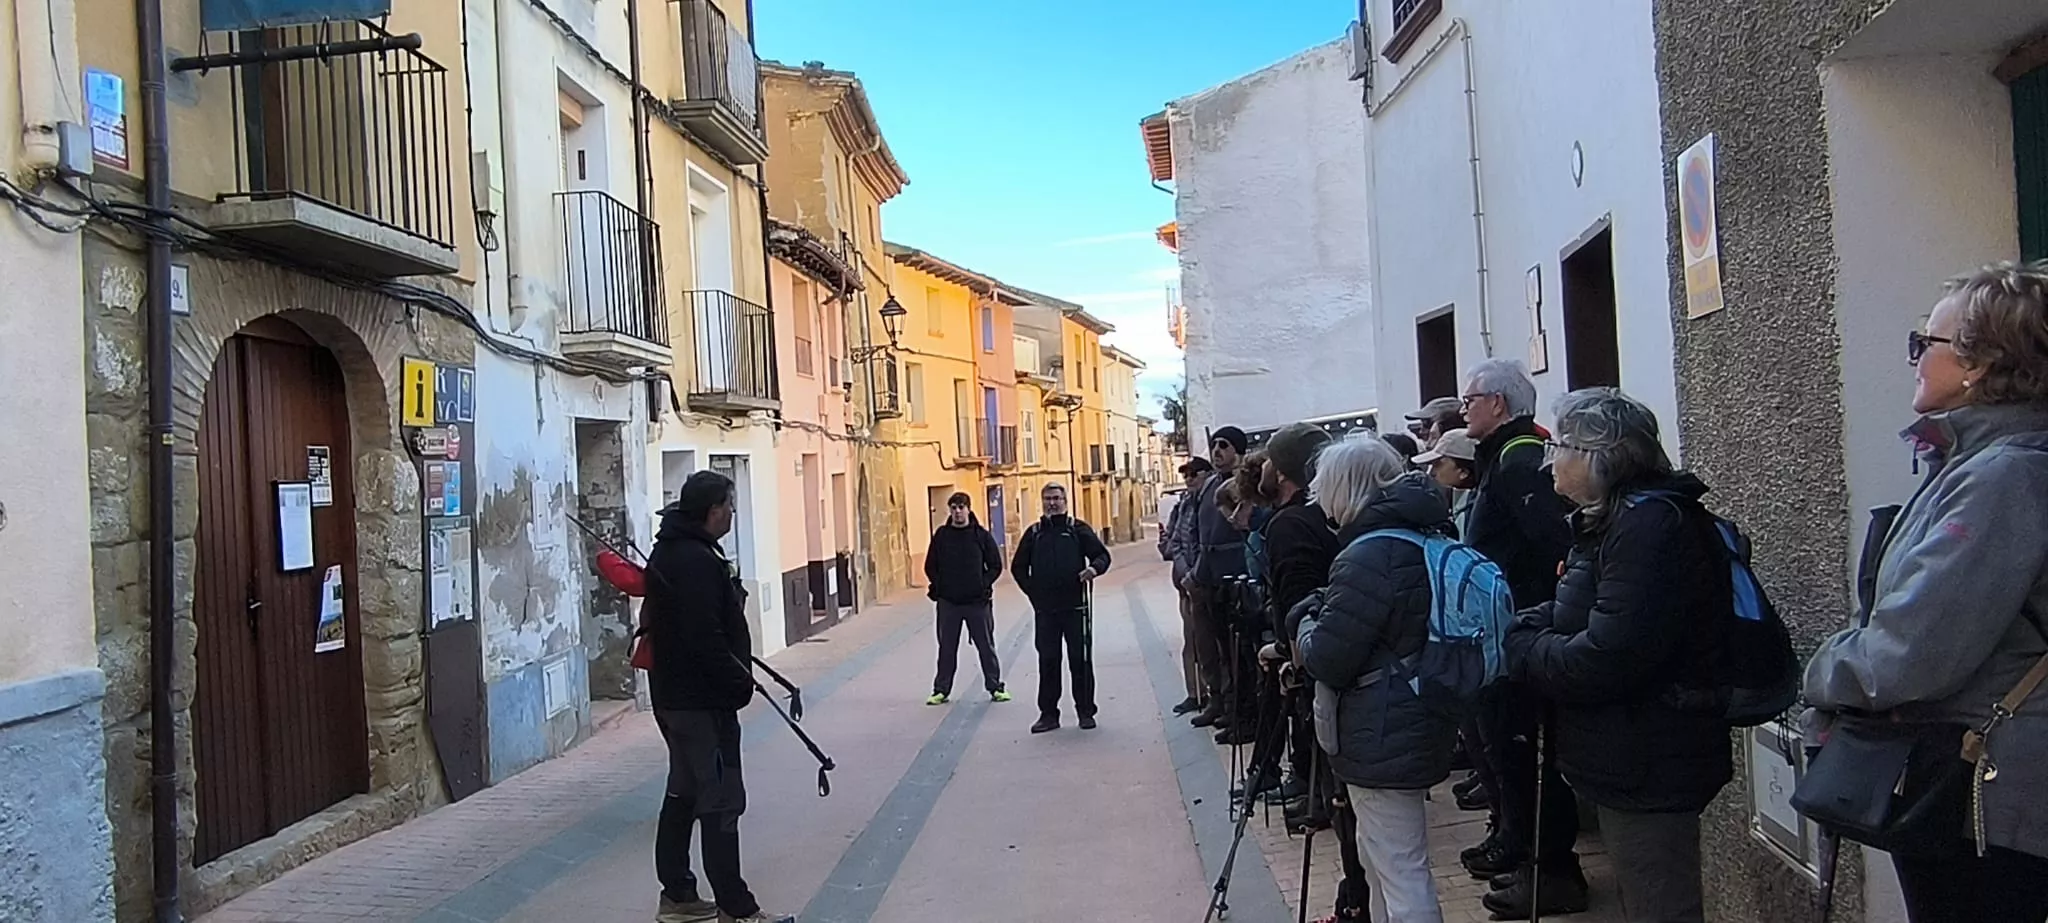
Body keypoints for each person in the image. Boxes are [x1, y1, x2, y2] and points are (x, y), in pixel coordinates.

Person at [1802, 261, 2048, 922]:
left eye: (1925, 343)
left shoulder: (2003, 478)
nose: (1913, 357)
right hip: (1978, 792)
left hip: (1987, 801)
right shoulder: (1978, 465)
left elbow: (1910, 651)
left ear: (1980, 362)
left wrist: (1824, 671)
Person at [1504, 388, 1732, 923]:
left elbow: (1607, 656)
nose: (1548, 460)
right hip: (1630, 752)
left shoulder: (1647, 526)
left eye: (1558, 445)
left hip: (1651, 756)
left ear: (1597, 456)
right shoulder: (1612, 519)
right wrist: (1528, 628)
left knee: (1661, 905)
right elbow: (1572, 612)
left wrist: (1521, 648)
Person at [1297, 436, 1462, 923]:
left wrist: (1304, 623)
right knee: (1388, 863)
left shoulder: (1370, 553)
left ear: (1344, 490)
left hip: (1382, 727)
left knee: (1402, 872)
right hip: (1416, 712)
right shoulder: (1423, 533)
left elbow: (1329, 658)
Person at [1457, 358, 1585, 916]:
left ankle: (1552, 869)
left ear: (1498, 404)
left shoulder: (1520, 461)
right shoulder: (1504, 457)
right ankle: (1528, 855)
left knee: (1523, 754)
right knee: (1508, 752)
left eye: (1470, 401)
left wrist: (1532, 619)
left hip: (1521, 635)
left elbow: (1551, 547)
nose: (1464, 410)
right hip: (1508, 631)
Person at [643, 471, 793, 923]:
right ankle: (737, 908)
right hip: (701, 704)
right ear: (712, 511)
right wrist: (738, 682)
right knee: (722, 800)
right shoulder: (697, 560)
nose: (732, 513)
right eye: (729, 506)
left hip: (676, 698)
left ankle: (679, 896)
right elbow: (704, 636)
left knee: (684, 793)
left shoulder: (671, 550)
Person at [1013, 483, 1112, 733]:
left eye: (1056, 498)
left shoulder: (1077, 529)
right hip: (1045, 612)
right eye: (1047, 498)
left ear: (1065, 500)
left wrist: (1093, 569)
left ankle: (1086, 712)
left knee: (1080, 661)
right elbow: (1018, 568)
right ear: (1042, 502)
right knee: (1048, 661)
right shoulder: (1034, 533)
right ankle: (1048, 715)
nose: (1052, 503)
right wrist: (1033, 593)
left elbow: (1102, 556)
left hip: (1076, 608)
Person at [1186, 426, 1252, 731]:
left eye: (1223, 446)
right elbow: (1199, 534)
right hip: (1207, 577)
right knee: (1209, 646)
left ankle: (1239, 708)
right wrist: (1195, 573)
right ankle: (1217, 702)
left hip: (1236, 578)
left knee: (1237, 652)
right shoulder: (1209, 485)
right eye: (1213, 446)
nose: (1216, 452)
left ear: (1238, 451)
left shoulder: (1245, 486)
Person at [923, 492, 1011, 706]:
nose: (958, 511)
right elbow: (930, 566)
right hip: (949, 603)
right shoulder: (942, 536)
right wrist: (940, 586)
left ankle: (995, 687)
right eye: (953, 507)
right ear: (950, 510)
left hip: (977, 603)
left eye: (961, 507)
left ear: (969, 509)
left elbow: (995, 565)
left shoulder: (980, 535)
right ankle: (941, 690)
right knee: (946, 648)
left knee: (986, 646)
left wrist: (983, 583)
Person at [1165, 458, 1216, 715]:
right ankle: (1194, 694)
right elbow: (1174, 542)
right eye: (1186, 475)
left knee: (1210, 643)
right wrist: (1187, 575)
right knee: (1191, 642)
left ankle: (1213, 695)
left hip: (1208, 583)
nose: (1189, 479)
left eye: (1194, 474)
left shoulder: (1213, 503)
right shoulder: (1183, 506)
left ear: (1207, 474)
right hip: (1187, 586)